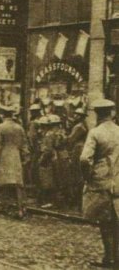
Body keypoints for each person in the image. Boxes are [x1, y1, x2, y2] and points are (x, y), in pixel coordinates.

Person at [80, 99, 119, 268]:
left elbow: (84, 159)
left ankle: (109, 258)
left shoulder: (95, 133)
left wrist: (88, 177)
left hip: (101, 182)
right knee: (116, 220)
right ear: (112, 113)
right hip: (118, 181)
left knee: (105, 222)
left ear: (97, 114)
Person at [0, 105, 29, 218]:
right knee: (17, 184)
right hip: (15, 157)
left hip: (3, 157)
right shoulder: (19, 127)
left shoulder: (0, 127)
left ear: (3, 115)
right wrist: (25, 157)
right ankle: (21, 210)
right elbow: (24, 144)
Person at [68, 108, 88, 209]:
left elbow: (71, 139)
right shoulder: (82, 126)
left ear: (81, 117)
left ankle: (77, 200)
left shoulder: (78, 127)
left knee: (76, 174)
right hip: (80, 148)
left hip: (77, 149)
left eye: (77, 115)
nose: (75, 116)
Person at [27, 103, 43, 189]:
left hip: (36, 147)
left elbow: (32, 136)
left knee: (33, 166)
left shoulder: (34, 123)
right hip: (42, 146)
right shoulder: (42, 120)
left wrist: (32, 147)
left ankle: (34, 186)